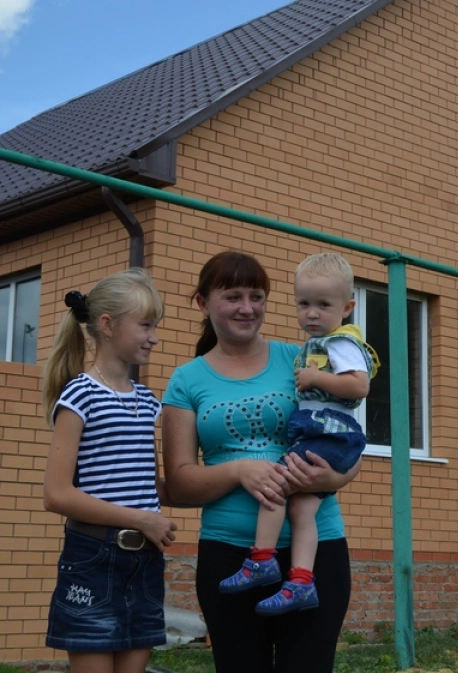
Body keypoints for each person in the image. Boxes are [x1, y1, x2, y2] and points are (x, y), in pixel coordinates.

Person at [161, 250, 362, 673]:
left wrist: (335, 477)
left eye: (258, 296)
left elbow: (347, 440)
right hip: (230, 554)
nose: (247, 308)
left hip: (317, 552)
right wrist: (239, 470)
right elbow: (178, 485)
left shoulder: (306, 357)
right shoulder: (186, 380)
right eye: (233, 296)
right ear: (203, 303)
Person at [218, 252, 377, 616]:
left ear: (348, 307)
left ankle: (261, 560)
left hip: (329, 433)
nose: (312, 313)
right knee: (302, 509)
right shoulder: (314, 344)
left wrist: (316, 378)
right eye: (304, 304)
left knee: (273, 486)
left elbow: (360, 386)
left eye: (323, 304)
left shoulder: (341, 342)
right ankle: (302, 581)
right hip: (326, 435)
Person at [40, 268, 179, 673]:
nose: (154, 337)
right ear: (107, 325)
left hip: (145, 562)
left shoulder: (147, 400)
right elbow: (57, 495)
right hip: (94, 559)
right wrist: (140, 519)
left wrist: (231, 478)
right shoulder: (80, 394)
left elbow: (146, 485)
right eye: (146, 326)